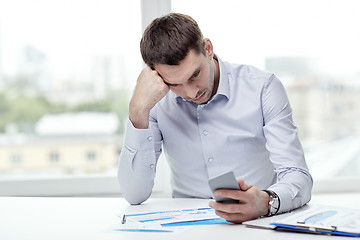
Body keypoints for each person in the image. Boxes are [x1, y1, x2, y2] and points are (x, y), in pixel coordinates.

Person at [118, 12, 313, 223]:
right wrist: (137, 111)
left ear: (208, 49)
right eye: (175, 84)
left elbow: (297, 176)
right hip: (187, 229)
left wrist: (266, 202)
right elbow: (134, 195)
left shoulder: (262, 88)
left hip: (256, 224)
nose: (191, 93)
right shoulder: (156, 102)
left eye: (195, 75)